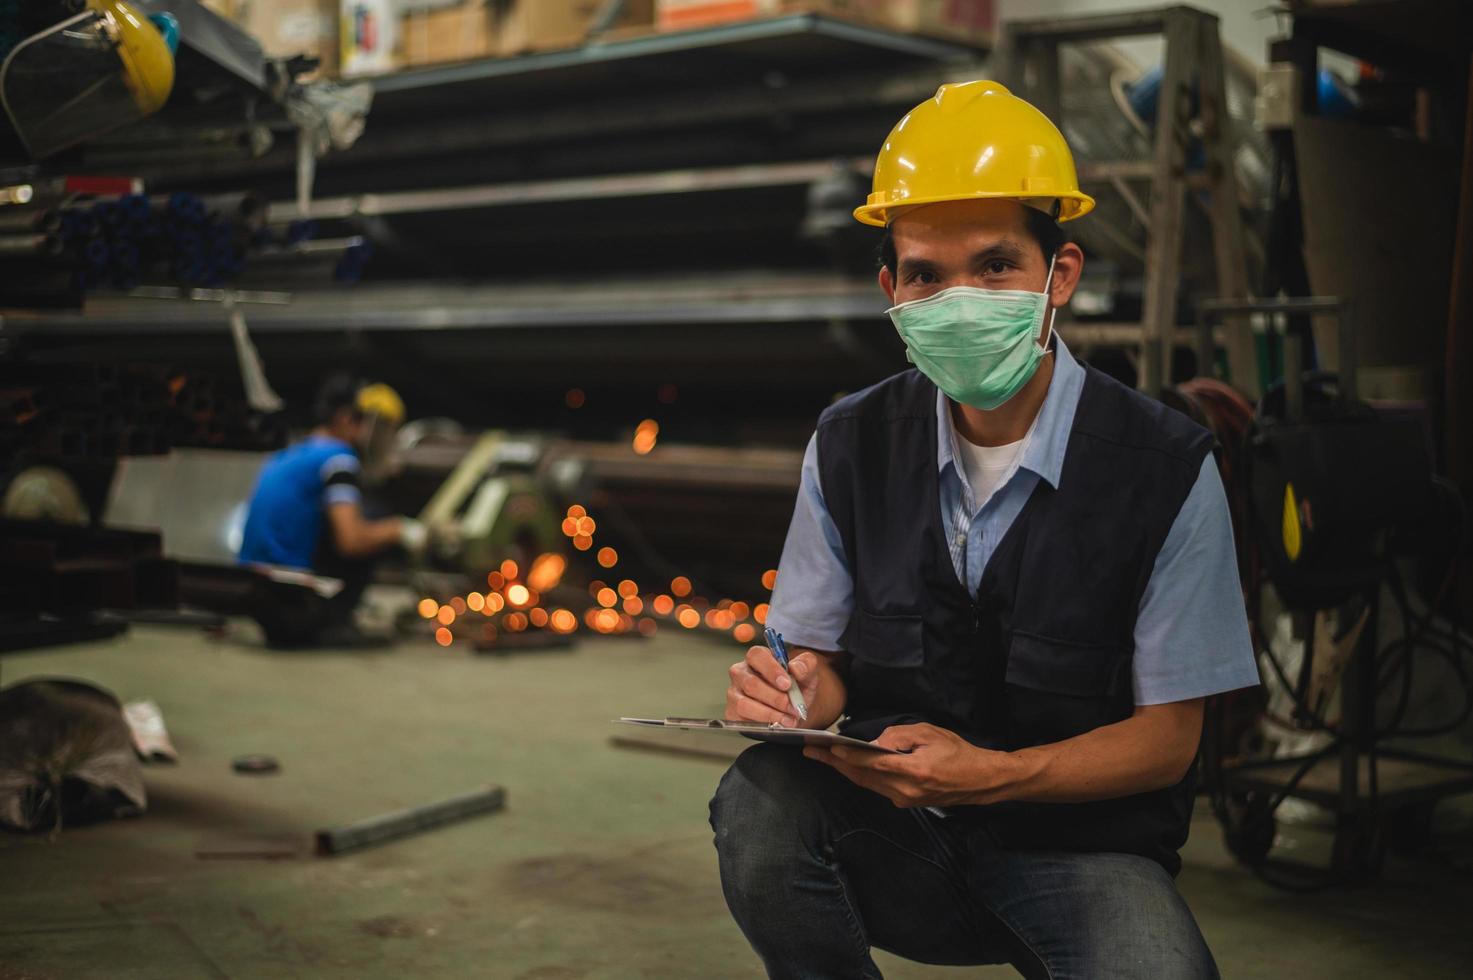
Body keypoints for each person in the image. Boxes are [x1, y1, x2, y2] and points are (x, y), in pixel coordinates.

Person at [709, 80, 1260, 979]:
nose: (957, 298)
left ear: (1060, 276)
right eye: (925, 273)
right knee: (760, 805)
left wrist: (994, 775)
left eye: (995, 266)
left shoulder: (1163, 468)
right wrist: (791, 696)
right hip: (899, 833)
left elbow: (1168, 741)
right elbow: (813, 658)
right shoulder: (849, 443)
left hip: (1084, 855)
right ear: (890, 288)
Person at [238, 376, 426, 647]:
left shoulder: (292, 452)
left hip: (254, 592)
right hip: (292, 602)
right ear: (344, 418)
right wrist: (399, 529)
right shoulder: (339, 459)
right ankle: (333, 621)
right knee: (375, 518)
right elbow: (351, 541)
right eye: (362, 421)